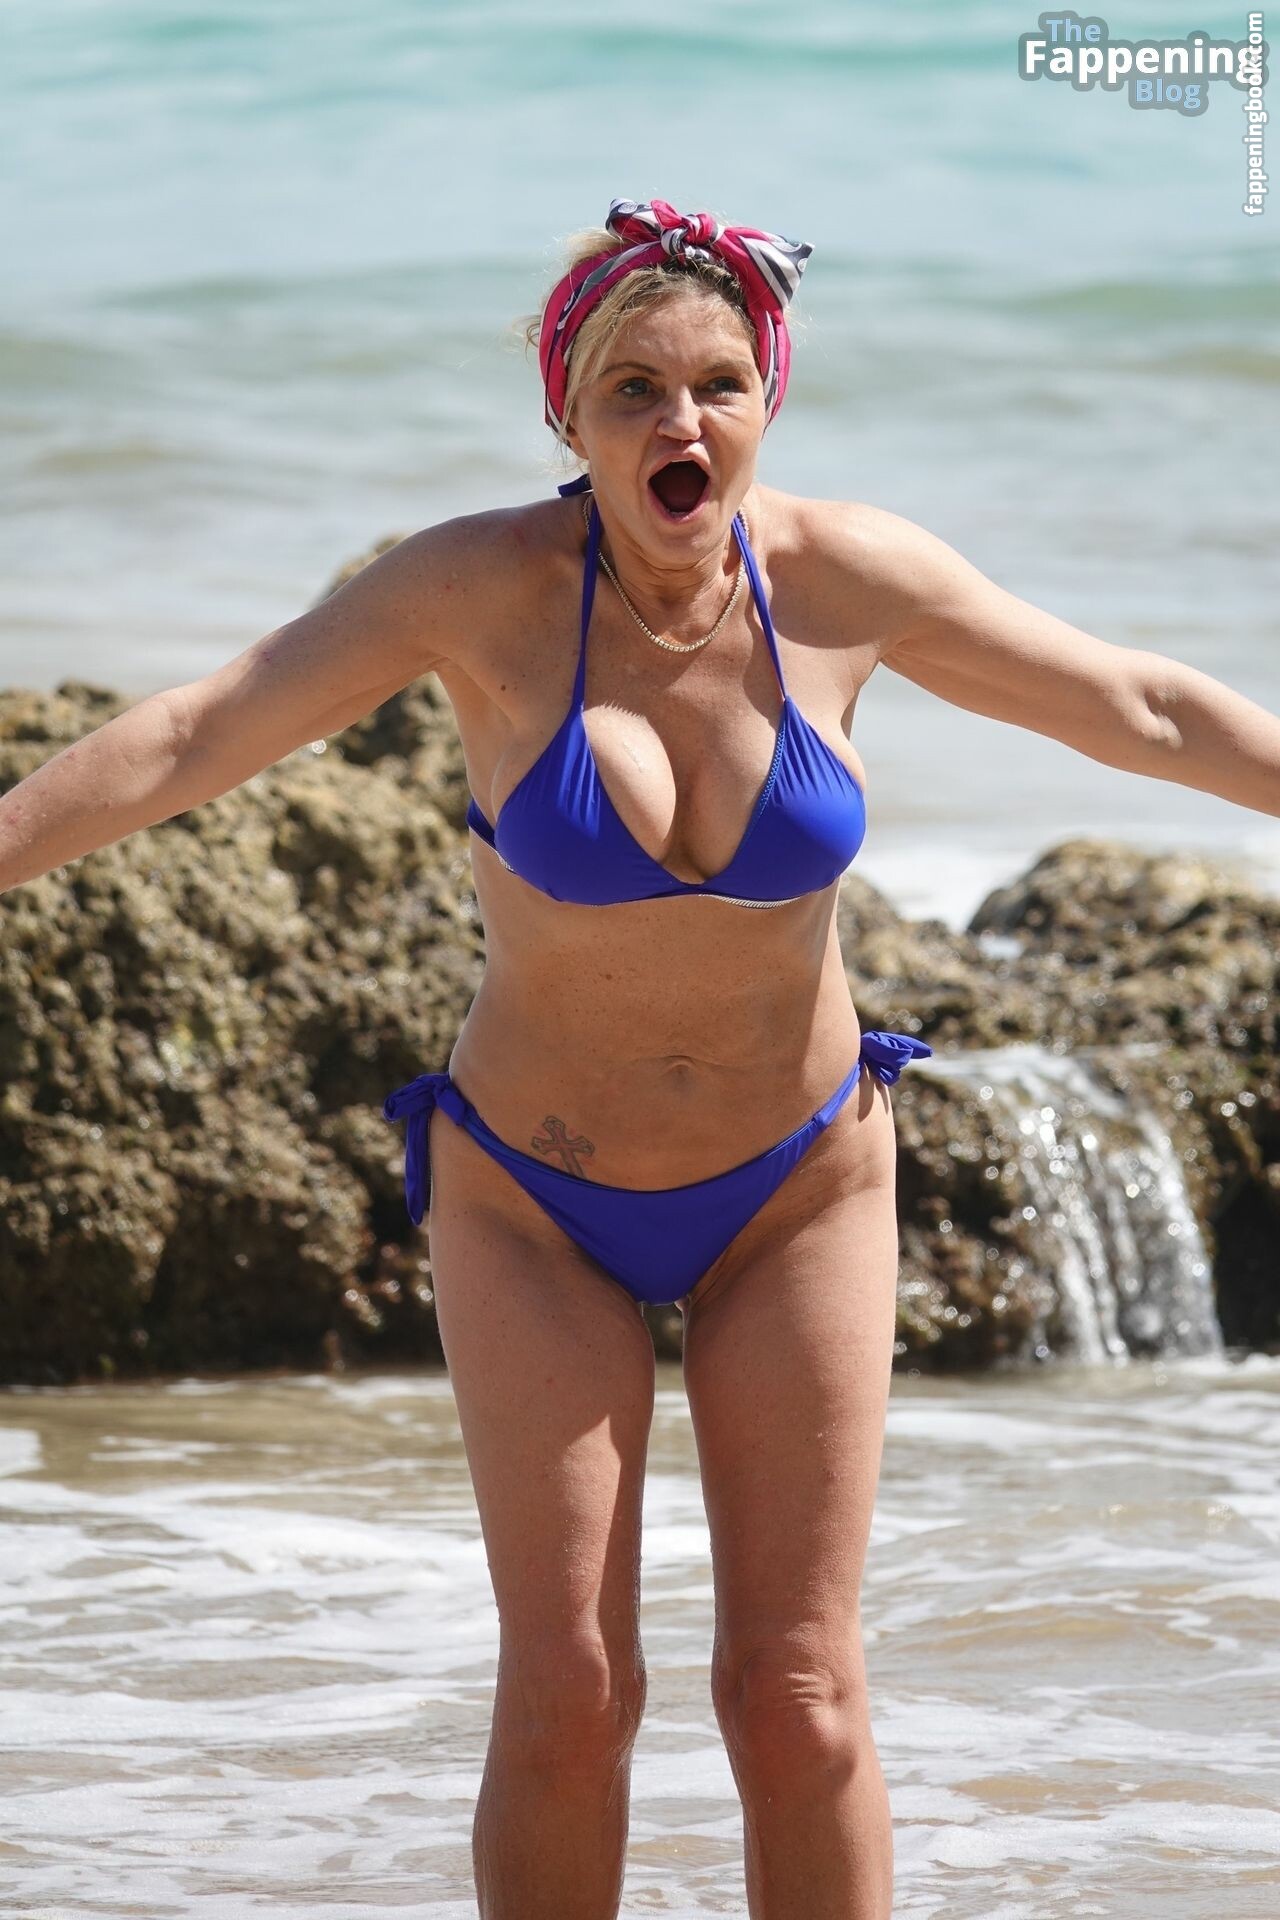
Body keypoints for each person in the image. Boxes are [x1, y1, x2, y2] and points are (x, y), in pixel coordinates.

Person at [1, 196, 1276, 1920]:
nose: (682, 421)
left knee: (800, 1700)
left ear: (767, 400)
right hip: (537, 1200)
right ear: (571, 417)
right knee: (570, 1703)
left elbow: (1144, 707)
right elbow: (195, 733)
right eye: (634, 391)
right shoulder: (480, 591)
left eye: (718, 385)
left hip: (800, 1185)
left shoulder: (846, 581)